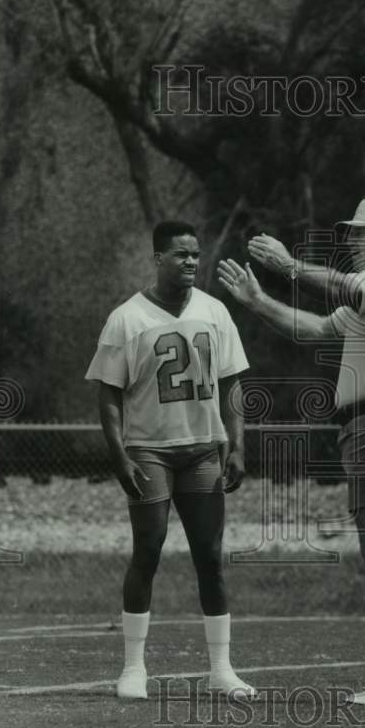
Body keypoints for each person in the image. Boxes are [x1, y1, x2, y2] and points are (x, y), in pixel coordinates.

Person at [217, 198, 365, 706]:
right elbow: (311, 328)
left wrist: (288, 266)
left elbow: (339, 285)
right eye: (351, 233)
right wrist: (256, 300)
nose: (353, 241)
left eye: (363, 233)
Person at [86, 220, 257, 700]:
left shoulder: (215, 311)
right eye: (180, 254)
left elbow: (231, 383)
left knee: (210, 557)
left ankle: (221, 669)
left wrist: (238, 444)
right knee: (149, 549)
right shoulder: (127, 318)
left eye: (195, 255)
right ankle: (133, 667)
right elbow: (109, 392)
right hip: (150, 450)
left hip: (203, 447)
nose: (190, 262)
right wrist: (119, 454)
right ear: (157, 258)